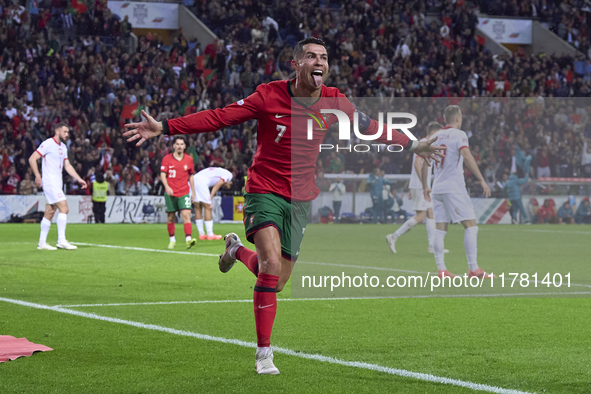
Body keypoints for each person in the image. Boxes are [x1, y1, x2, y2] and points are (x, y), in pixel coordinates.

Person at [124, 37, 444, 375]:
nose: (318, 61)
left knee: (275, 281)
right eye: (310, 56)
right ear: (296, 64)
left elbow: (369, 128)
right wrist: (165, 127)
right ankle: (264, 354)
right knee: (272, 263)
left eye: (323, 57)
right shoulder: (267, 95)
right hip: (264, 189)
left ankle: (234, 250)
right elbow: (219, 117)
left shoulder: (336, 101)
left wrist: (412, 143)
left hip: (301, 197)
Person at [422, 105, 494, 279]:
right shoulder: (459, 135)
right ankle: (474, 269)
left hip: (437, 187)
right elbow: (467, 156)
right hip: (454, 187)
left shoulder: (435, 136)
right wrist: (481, 179)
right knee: (471, 226)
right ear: (457, 118)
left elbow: (425, 161)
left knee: (440, 229)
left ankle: (442, 270)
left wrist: (425, 185)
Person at [386, 121, 449, 254]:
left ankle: (433, 246)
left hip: (420, 185)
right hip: (421, 186)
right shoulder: (424, 144)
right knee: (421, 217)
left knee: (431, 214)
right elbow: (416, 164)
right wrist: (423, 184)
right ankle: (394, 236)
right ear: (433, 133)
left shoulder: (424, 143)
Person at [28, 122, 87, 250]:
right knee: (64, 208)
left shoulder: (63, 147)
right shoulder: (48, 143)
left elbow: (68, 166)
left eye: (68, 132)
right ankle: (61, 240)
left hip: (57, 183)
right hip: (50, 182)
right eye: (64, 132)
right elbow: (32, 159)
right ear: (57, 131)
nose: (67, 135)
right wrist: (38, 176)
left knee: (49, 212)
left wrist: (79, 179)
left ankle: (42, 243)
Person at [160, 136, 197, 250]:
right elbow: (162, 175)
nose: (180, 146)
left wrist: (193, 192)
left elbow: (191, 176)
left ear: (185, 146)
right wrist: (167, 187)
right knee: (171, 217)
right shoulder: (166, 159)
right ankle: (172, 240)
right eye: (178, 144)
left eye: (182, 144)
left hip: (184, 192)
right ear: (174, 146)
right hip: (170, 193)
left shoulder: (189, 159)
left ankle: (188, 240)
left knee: (186, 215)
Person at [192, 166, 233, 240]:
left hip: (193, 180)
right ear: (230, 182)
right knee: (208, 207)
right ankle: (210, 234)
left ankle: (201, 234)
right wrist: (210, 198)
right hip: (201, 182)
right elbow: (217, 185)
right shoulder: (229, 175)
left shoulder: (219, 171)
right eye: (227, 186)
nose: (224, 186)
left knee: (198, 207)